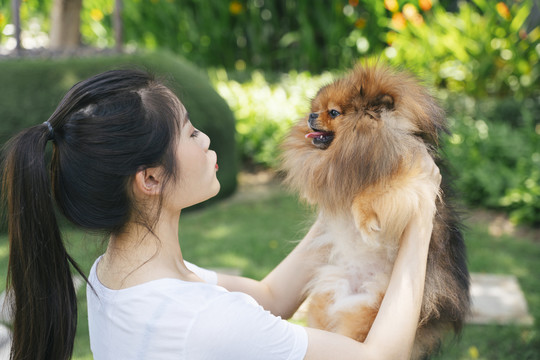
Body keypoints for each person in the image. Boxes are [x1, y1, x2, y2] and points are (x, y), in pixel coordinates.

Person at [2, 69, 439, 360]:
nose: (207, 139)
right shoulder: (206, 320)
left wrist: (344, 186)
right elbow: (379, 356)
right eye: (190, 132)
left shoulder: (116, 277)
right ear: (150, 179)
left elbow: (270, 296)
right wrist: (420, 220)